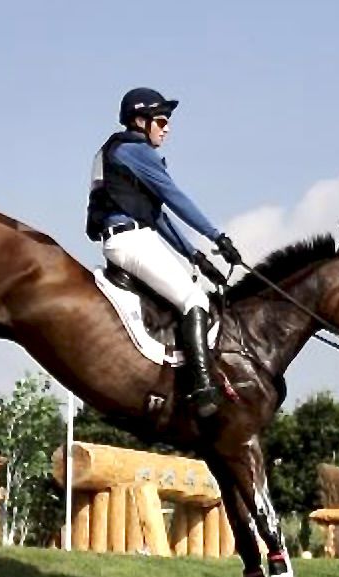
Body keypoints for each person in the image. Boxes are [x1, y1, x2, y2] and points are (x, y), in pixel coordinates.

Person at [87, 87, 243, 419]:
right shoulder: (136, 150)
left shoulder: (117, 151)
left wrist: (196, 257)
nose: (166, 127)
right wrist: (217, 236)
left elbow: (157, 215)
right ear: (139, 121)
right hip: (130, 240)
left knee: (191, 293)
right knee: (196, 301)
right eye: (161, 120)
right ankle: (202, 387)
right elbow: (175, 197)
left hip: (131, 236)